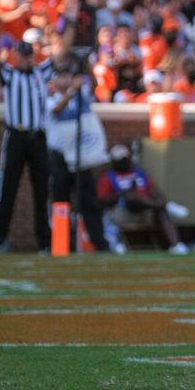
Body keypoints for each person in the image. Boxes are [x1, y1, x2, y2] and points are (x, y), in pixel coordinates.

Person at [0, 0, 77, 253]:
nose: (26, 59)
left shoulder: (40, 72)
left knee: (40, 192)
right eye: (22, 55)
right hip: (16, 136)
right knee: (7, 190)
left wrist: (69, 21)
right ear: (16, 56)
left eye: (28, 55)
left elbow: (63, 51)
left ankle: (45, 242)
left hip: (37, 137)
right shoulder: (10, 74)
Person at [45, 58, 110, 252]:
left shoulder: (81, 95)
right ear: (53, 82)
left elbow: (94, 83)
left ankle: (100, 244)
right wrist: (73, 90)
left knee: (88, 201)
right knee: (61, 203)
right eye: (61, 76)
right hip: (59, 158)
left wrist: (86, 60)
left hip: (81, 157)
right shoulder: (49, 99)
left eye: (68, 75)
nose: (66, 80)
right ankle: (60, 245)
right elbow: (57, 110)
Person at [95, 145, 188, 254]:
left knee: (160, 208)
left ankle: (176, 246)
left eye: (125, 159)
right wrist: (122, 193)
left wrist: (160, 198)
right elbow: (101, 200)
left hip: (145, 211)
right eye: (120, 160)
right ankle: (166, 206)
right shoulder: (108, 177)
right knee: (131, 196)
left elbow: (154, 191)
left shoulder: (139, 173)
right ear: (113, 161)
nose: (123, 162)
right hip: (123, 212)